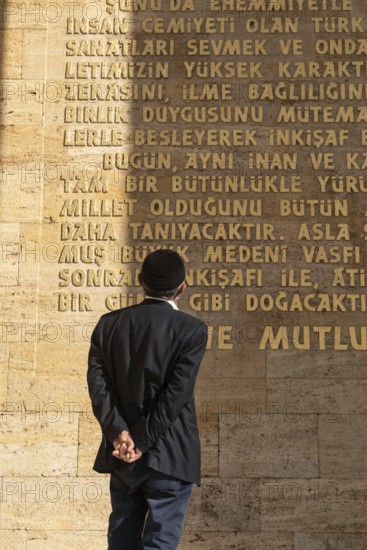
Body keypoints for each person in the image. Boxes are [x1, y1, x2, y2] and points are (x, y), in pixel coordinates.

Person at [87, 250, 208, 549]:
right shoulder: (191, 330)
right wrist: (139, 441)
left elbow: (98, 387)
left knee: (121, 541)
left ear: (140, 280)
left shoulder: (108, 324)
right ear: (183, 287)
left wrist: (120, 435)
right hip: (170, 455)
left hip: (123, 456)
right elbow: (175, 395)